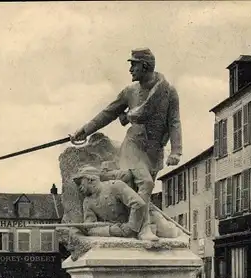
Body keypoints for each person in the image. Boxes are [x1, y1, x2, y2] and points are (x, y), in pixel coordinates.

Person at [70, 48, 182, 241]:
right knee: (145, 182)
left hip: (155, 151)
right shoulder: (130, 92)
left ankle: (138, 226)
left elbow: (174, 122)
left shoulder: (168, 92)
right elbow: (108, 113)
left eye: (133, 65)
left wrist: (177, 151)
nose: (130, 69)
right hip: (133, 146)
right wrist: (85, 130)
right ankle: (143, 229)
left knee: (142, 189)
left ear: (145, 66)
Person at [73, 165, 146, 238]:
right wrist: (109, 231)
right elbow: (90, 228)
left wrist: (130, 227)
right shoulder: (87, 202)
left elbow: (138, 203)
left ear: (90, 179)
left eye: (80, 183)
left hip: (137, 231)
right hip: (115, 236)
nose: (79, 187)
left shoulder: (115, 186)